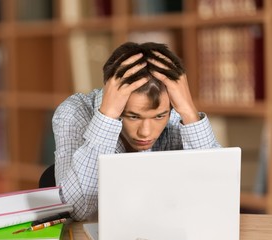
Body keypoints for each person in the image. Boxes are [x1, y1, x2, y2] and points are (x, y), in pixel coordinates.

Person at [52, 42, 221, 221]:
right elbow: (76, 209)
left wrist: (189, 111)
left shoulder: (174, 114)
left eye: (158, 117)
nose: (146, 133)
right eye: (133, 117)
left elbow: (218, 197)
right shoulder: (74, 113)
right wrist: (108, 116)